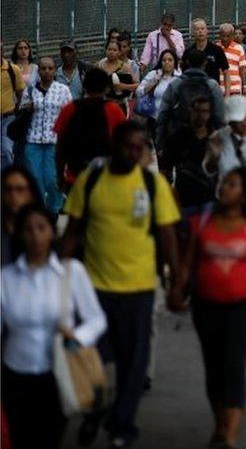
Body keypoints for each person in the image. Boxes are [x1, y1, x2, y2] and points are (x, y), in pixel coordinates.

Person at [61, 121, 181, 448]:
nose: (133, 152)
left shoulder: (152, 184)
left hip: (139, 288)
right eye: (127, 146)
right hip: (94, 289)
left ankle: (122, 423)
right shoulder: (91, 180)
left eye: (139, 148)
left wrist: (176, 282)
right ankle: (92, 411)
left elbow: (168, 235)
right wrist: (54, 276)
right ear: (113, 146)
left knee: (134, 361)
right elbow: (73, 231)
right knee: (90, 359)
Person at [167, 168, 246, 449]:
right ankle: (220, 422)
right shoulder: (202, 222)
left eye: (232, 185)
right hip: (206, 306)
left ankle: (230, 436)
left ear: (245, 194)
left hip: (245, 307)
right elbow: (187, 265)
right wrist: (176, 290)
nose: (224, 189)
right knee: (214, 368)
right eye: (224, 184)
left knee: (233, 365)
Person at [1, 204, 107, 449]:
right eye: (28, 229)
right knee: (19, 438)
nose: (35, 235)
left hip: (58, 373)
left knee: (50, 438)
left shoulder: (71, 272)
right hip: (15, 374)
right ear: (19, 235)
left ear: (52, 232)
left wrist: (77, 336)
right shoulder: (6, 278)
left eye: (41, 228)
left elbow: (96, 319)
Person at [53, 68, 127, 189]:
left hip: (76, 178)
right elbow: (124, 144)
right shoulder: (114, 109)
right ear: (107, 88)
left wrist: (60, 175)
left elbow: (60, 146)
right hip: (107, 179)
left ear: (85, 86)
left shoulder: (70, 108)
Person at [20, 57, 72, 214]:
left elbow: (69, 114)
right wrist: (27, 107)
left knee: (52, 179)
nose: (47, 71)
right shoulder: (30, 90)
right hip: (33, 140)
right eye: (43, 68)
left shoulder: (62, 90)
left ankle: (54, 209)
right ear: (39, 70)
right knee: (35, 179)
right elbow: (21, 107)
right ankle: (39, 211)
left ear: (55, 70)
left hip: (53, 141)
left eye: (50, 68)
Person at [155, 48, 226, 155]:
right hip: (206, 139)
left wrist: (160, 143)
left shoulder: (176, 84)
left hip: (181, 139)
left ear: (187, 62)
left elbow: (163, 114)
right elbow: (220, 116)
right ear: (205, 63)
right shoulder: (212, 85)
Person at [163, 97, 216, 218]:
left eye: (205, 111)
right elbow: (166, 168)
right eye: (197, 111)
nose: (200, 115)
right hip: (184, 197)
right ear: (191, 111)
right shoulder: (178, 137)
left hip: (209, 198)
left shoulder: (216, 137)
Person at [135, 49, 181, 144]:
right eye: (164, 60)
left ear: (174, 62)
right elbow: (139, 92)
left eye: (170, 60)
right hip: (154, 118)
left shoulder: (179, 77)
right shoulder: (154, 74)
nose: (167, 63)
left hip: (174, 119)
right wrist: (152, 84)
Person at [1, 164, 42, 264]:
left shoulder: (42, 233)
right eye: (8, 190)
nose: (13, 195)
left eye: (20, 189)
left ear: (31, 194)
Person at [1, 43, 26, 168]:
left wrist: (16, 109)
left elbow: (20, 92)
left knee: (7, 150)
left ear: (3, 52)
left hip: (7, 117)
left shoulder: (13, 69)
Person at [185, 18, 230, 86]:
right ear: (192, 32)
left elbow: (226, 72)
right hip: (193, 90)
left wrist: (227, 94)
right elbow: (184, 73)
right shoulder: (188, 52)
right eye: (197, 29)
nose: (200, 31)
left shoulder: (217, 50)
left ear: (207, 31)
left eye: (203, 29)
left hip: (212, 89)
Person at [98, 40, 138, 113]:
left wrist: (123, 86)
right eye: (109, 49)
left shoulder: (125, 67)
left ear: (119, 52)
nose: (111, 52)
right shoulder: (100, 65)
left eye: (114, 50)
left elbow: (137, 85)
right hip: (104, 104)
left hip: (121, 104)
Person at [217, 23, 246, 96]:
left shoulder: (239, 48)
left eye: (228, 36)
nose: (225, 38)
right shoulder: (216, 48)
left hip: (235, 88)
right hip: (219, 88)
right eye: (223, 36)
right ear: (219, 35)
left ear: (232, 36)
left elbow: (242, 70)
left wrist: (244, 86)